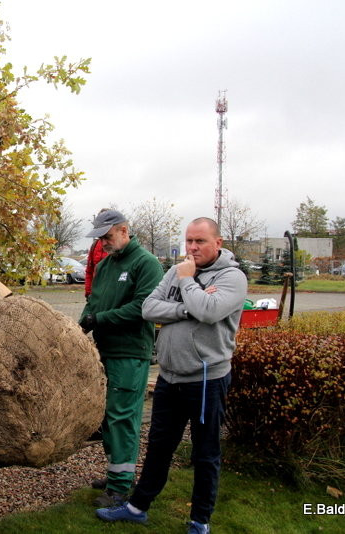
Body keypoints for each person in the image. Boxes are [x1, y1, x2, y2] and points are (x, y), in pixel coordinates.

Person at [96, 217, 247, 534]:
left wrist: (189, 284)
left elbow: (209, 312)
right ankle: (137, 507)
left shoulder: (233, 278)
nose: (193, 247)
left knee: (205, 454)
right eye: (189, 241)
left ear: (217, 243)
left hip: (206, 379)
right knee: (159, 447)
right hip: (170, 377)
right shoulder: (175, 271)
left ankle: (200, 521)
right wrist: (188, 306)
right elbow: (149, 308)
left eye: (200, 241)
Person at [79, 209, 163, 508]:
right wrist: (81, 325)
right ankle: (116, 473)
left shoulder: (146, 263)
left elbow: (143, 307)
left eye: (107, 236)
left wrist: (98, 320)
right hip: (105, 351)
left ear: (125, 231)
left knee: (122, 417)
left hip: (130, 353)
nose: (102, 243)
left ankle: (120, 487)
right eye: (100, 238)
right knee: (106, 417)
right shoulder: (104, 266)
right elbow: (93, 303)